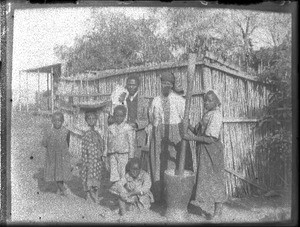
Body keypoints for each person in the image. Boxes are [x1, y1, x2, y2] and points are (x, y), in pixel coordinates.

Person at [147, 72, 193, 203]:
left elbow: (186, 120)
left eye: (169, 84)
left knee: (175, 163)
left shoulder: (179, 100)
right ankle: (159, 196)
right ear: (160, 84)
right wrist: (157, 132)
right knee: (159, 162)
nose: (166, 86)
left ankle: (179, 197)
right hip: (159, 134)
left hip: (176, 134)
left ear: (172, 86)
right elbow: (152, 119)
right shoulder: (155, 100)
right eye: (163, 83)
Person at [183, 90, 226, 219]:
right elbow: (197, 131)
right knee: (208, 180)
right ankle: (213, 211)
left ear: (216, 102)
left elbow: (210, 138)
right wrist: (188, 125)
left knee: (216, 179)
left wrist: (190, 138)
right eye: (205, 100)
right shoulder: (207, 114)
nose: (206, 102)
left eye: (210, 100)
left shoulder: (216, 115)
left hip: (212, 151)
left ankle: (217, 212)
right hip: (205, 151)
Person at [41, 111, 72, 196]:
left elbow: (68, 143)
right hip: (52, 156)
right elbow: (44, 143)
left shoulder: (66, 132)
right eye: (55, 121)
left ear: (62, 121)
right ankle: (63, 189)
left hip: (62, 156)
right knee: (54, 171)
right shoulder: (48, 131)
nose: (57, 123)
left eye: (59, 121)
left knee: (61, 172)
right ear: (52, 121)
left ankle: (60, 188)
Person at [104, 105, 135, 183]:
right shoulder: (110, 128)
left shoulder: (128, 128)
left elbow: (131, 144)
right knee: (114, 174)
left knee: (123, 174)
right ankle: (116, 191)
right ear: (113, 115)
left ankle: (124, 192)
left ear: (124, 116)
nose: (118, 118)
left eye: (121, 116)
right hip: (113, 154)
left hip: (124, 155)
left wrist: (131, 157)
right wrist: (105, 154)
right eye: (117, 116)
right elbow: (106, 142)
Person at [80, 110, 105, 204]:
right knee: (87, 175)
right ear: (86, 120)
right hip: (88, 158)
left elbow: (101, 144)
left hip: (97, 158)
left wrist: (101, 153)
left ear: (96, 120)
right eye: (89, 119)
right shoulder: (84, 131)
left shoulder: (98, 131)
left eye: (93, 118)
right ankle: (88, 195)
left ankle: (96, 194)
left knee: (97, 175)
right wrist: (85, 158)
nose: (91, 120)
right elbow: (83, 146)